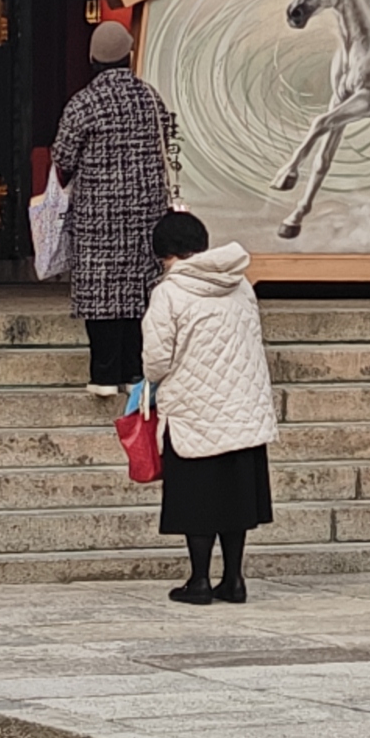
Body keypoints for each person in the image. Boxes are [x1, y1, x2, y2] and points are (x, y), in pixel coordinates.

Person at [140, 210, 275, 604]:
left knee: (196, 499)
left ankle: (198, 580)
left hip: (195, 409)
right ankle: (233, 579)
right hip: (244, 407)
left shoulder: (169, 292)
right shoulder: (240, 284)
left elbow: (157, 360)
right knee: (235, 498)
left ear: (164, 252)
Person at [52, 22, 174, 403]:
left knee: (101, 293)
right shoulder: (151, 98)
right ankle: (133, 370)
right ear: (129, 54)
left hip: (97, 213)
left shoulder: (84, 102)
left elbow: (62, 157)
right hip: (146, 213)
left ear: (93, 59)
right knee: (139, 293)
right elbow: (168, 139)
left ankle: (103, 374)